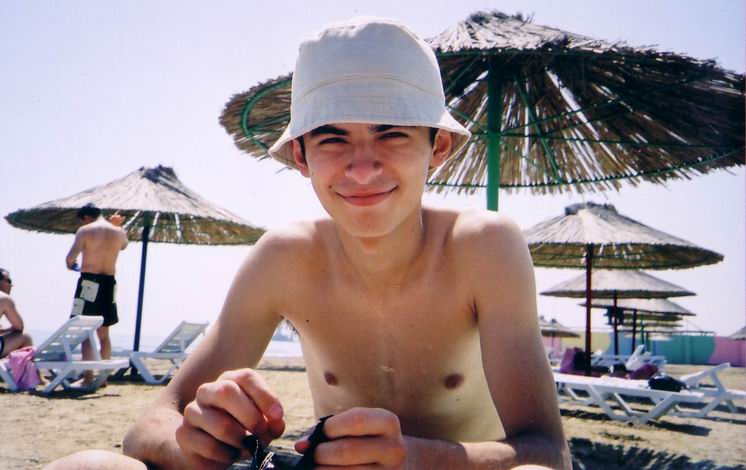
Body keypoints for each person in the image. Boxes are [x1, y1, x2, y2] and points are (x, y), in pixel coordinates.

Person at [50, 17, 571, 469]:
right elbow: (147, 428)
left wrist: (414, 459)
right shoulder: (286, 257)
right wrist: (194, 441)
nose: (361, 168)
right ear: (301, 156)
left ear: (439, 146)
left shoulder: (482, 247)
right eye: (332, 138)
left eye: (391, 133)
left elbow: (548, 454)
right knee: (90, 464)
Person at [65, 203, 128, 385]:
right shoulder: (118, 232)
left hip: (89, 282)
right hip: (109, 282)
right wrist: (117, 225)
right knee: (104, 332)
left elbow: (71, 257)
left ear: (85, 217)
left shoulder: (85, 230)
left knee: (84, 331)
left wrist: (71, 265)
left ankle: (88, 376)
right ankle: (103, 377)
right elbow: (124, 245)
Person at [0, 268, 33, 359]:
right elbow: (19, 327)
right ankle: (24, 368)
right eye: (9, 281)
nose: (11, 285)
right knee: (25, 337)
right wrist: (8, 330)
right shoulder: (4, 299)